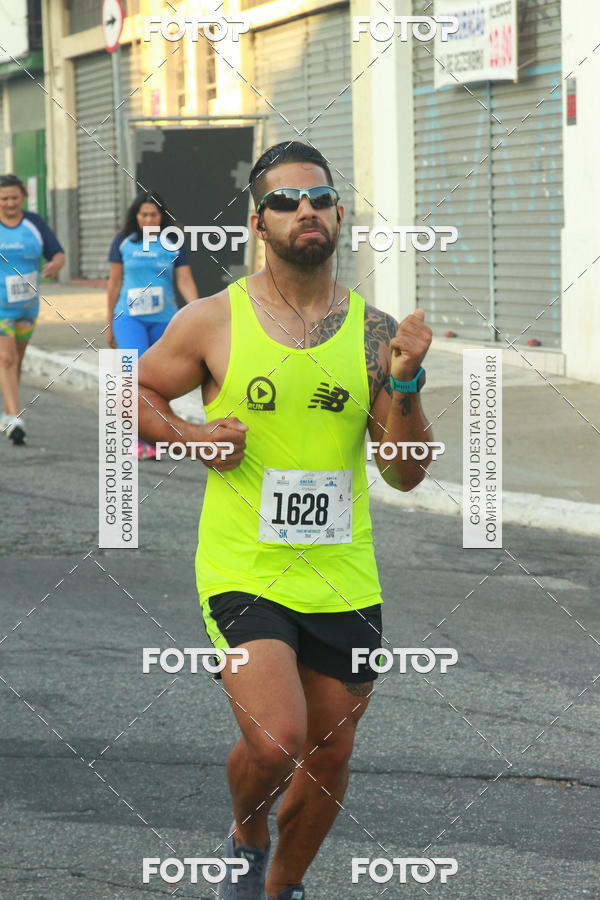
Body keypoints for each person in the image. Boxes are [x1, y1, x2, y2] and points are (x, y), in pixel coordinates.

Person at [137, 141, 434, 899]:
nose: (306, 209)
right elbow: (132, 393)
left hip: (342, 574)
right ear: (257, 222)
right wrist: (191, 435)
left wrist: (405, 384)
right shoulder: (213, 320)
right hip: (245, 567)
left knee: (329, 755)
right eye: (285, 200)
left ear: (338, 214)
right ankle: (247, 837)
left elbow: (404, 472)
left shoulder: (376, 335)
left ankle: (279, 890)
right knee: (276, 740)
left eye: (320, 197)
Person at [107, 190, 198, 459]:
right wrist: (109, 323)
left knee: (158, 381)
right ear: (136, 216)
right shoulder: (123, 242)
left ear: (162, 217)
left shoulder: (173, 242)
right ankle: (135, 438)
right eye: (144, 214)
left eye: (154, 215)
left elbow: (184, 280)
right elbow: (113, 283)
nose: (149, 220)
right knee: (133, 376)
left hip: (164, 320)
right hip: (129, 318)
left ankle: (154, 438)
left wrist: (197, 310)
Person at [0, 174, 65, 445]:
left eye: (14, 198)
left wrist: (55, 264)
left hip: (28, 306)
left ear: (23, 197)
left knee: (16, 360)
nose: (10, 203)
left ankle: (7, 412)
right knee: (6, 358)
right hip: (1, 306)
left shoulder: (34, 223)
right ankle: (16, 419)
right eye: (4, 199)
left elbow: (57, 253)